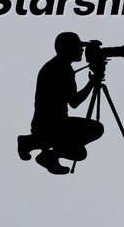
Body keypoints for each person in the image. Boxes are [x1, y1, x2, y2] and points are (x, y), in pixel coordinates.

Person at [18, 32, 105, 175]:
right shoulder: (62, 69)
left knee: (79, 153)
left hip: (47, 124)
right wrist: (92, 82)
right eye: (78, 47)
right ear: (68, 48)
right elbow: (74, 102)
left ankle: (34, 144)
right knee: (96, 129)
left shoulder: (58, 66)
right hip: (52, 125)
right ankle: (37, 147)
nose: (82, 51)